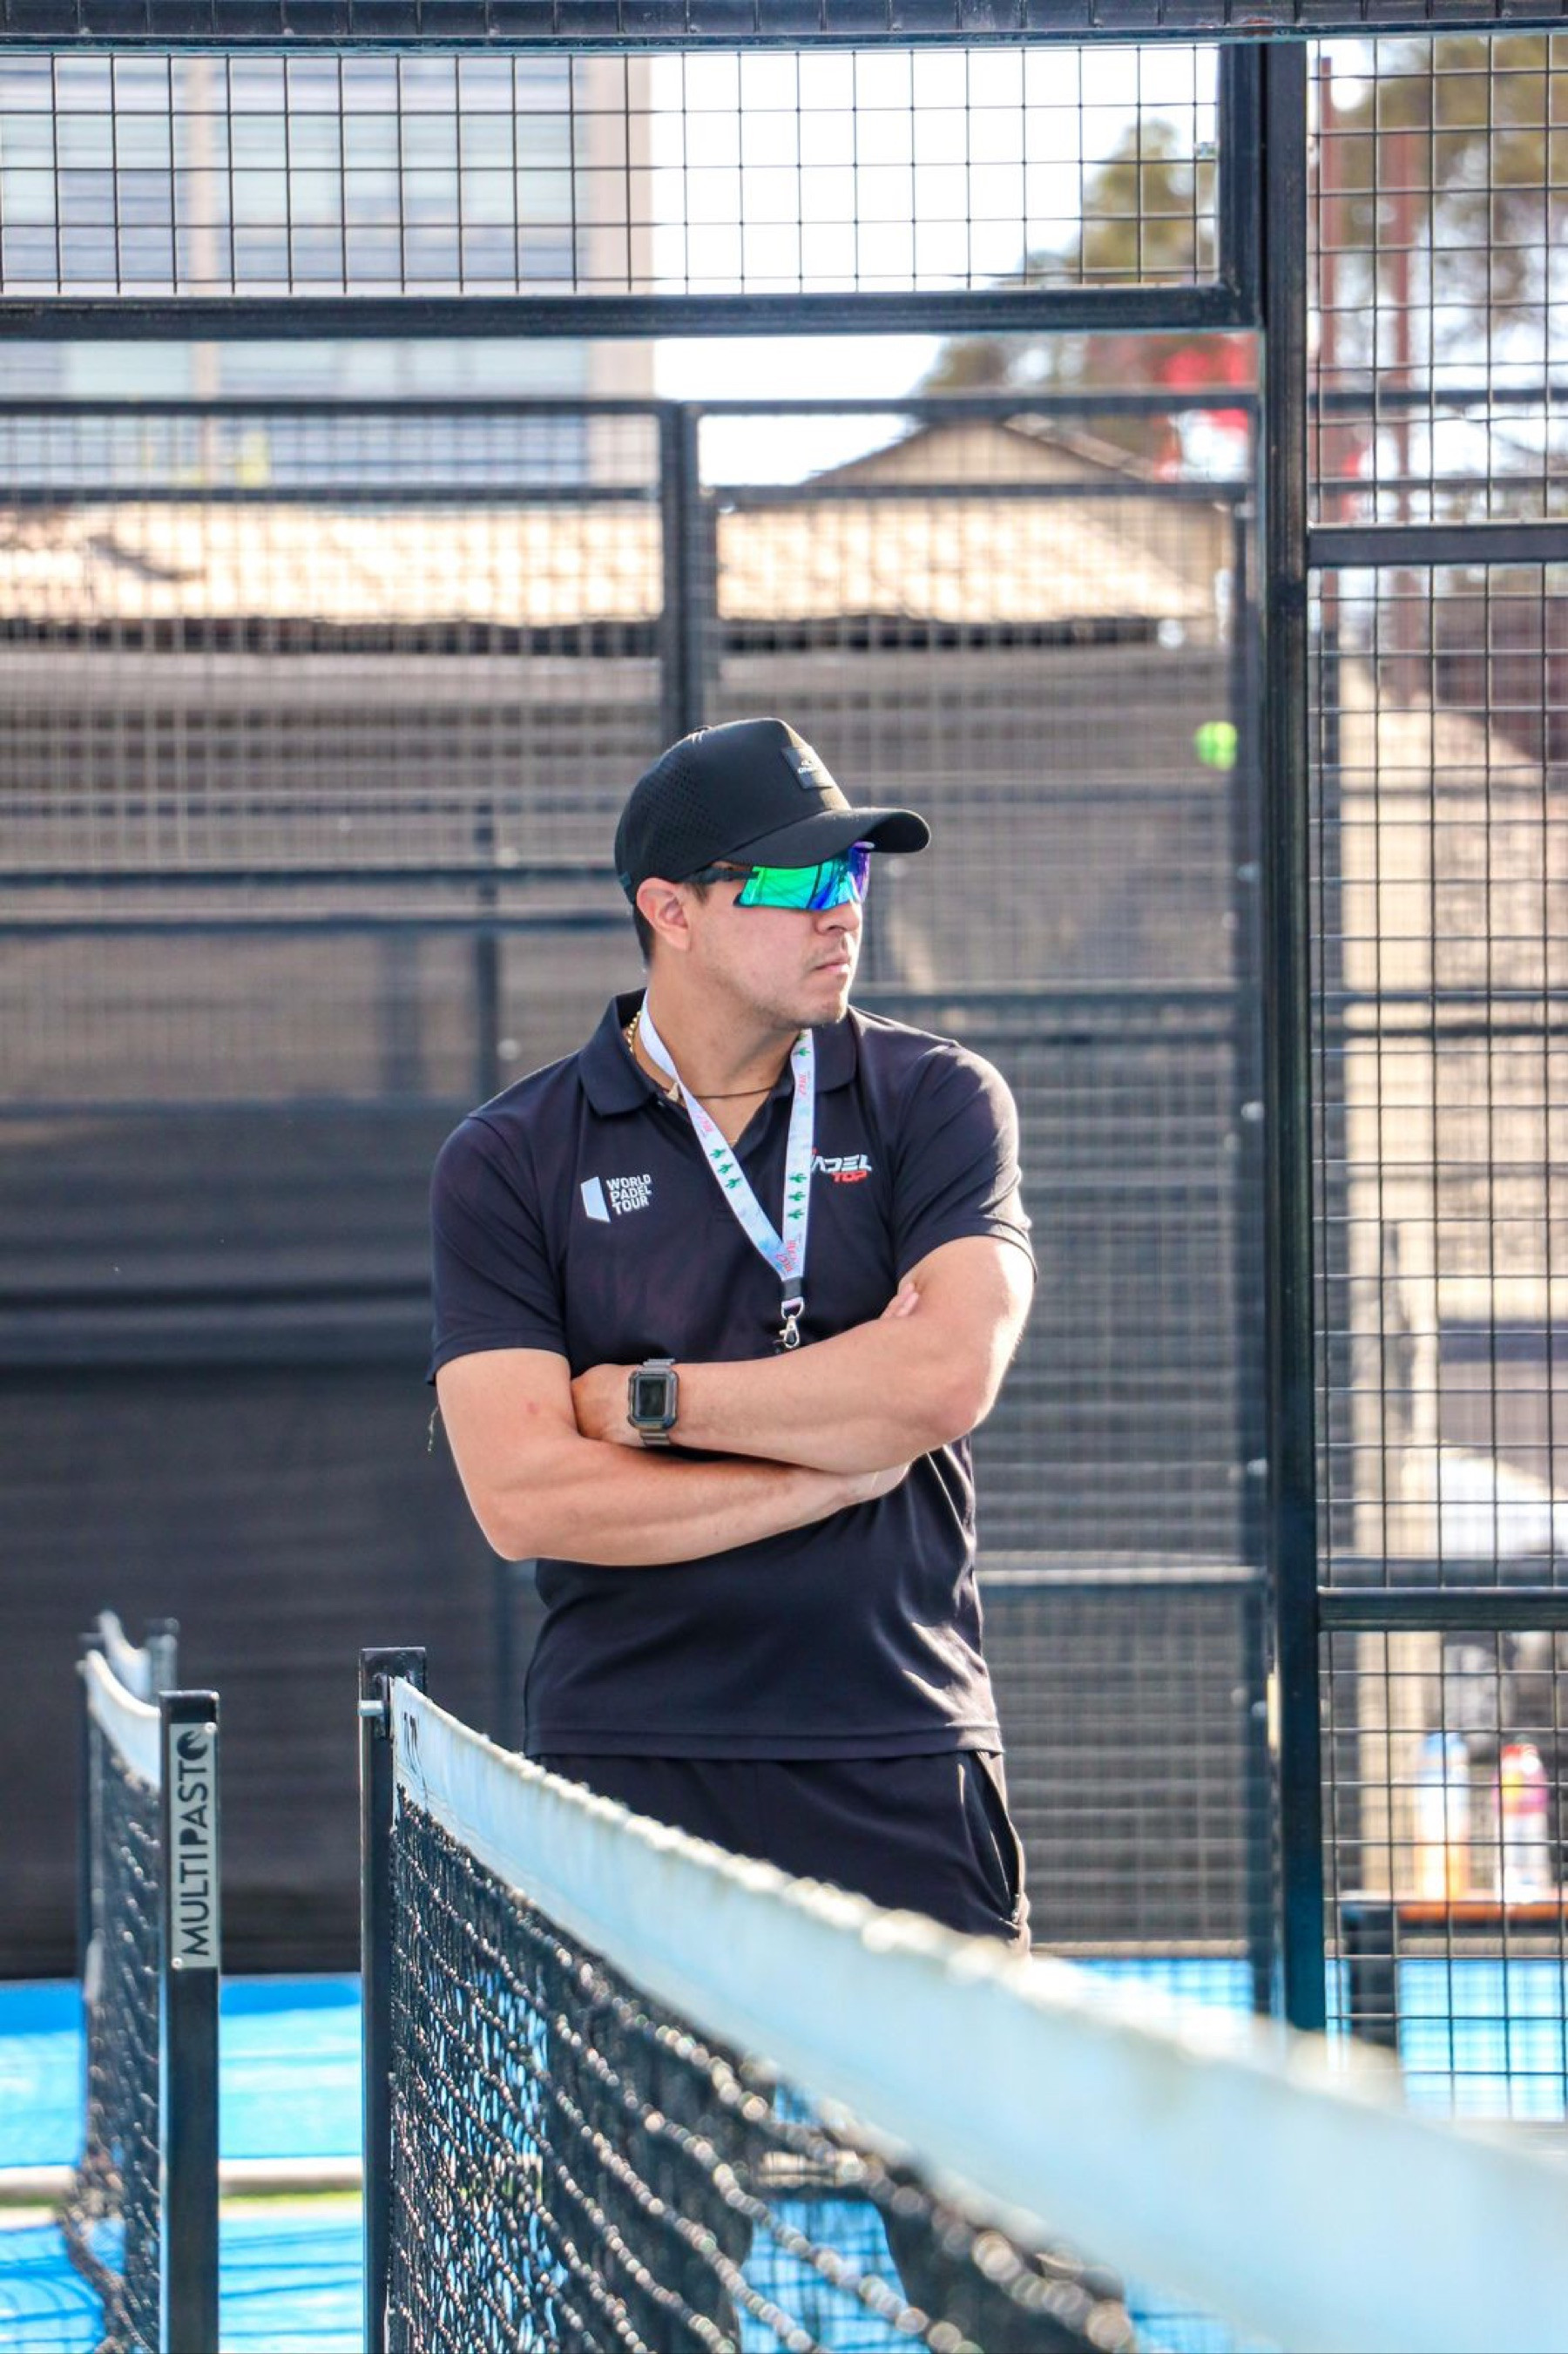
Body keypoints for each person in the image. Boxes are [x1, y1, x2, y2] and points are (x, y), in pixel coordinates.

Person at [428, 714, 1045, 2342]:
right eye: (793, 878)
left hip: (897, 1754)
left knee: (1011, 2284)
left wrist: (649, 1402)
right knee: (644, 2292)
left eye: (855, 874)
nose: (842, 906)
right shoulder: (510, 1159)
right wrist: (827, 1460)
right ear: (672, 910)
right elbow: (524, 1497)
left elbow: (944, 1374)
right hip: (641, 1778)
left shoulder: (934, 1099)